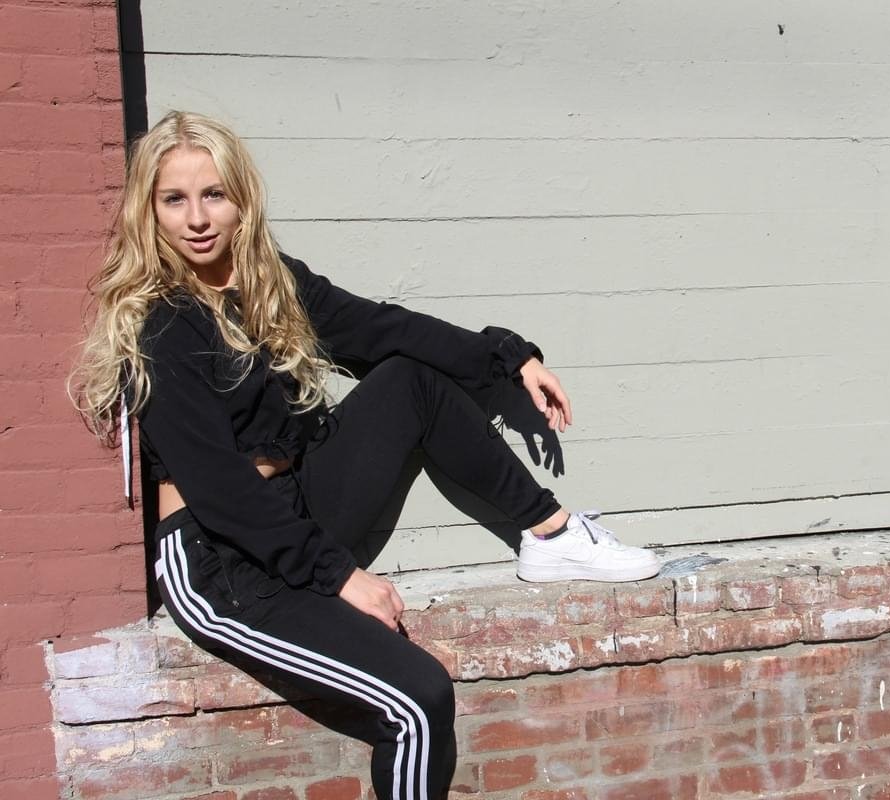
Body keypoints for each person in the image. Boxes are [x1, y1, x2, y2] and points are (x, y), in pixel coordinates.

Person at [70, 110, 659, 800]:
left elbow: (381, 328)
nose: (197, 219)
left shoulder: (270, 282)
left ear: (241, 200)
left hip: (294, 507)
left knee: (410, 377)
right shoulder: (162, 324)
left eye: (214, 195)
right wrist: (341, 575)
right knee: (418, 701)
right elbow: (221, 488)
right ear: (150, 211)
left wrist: (508, 357)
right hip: (219, 559)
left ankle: (552, 535)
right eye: (175, 200)